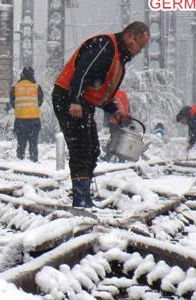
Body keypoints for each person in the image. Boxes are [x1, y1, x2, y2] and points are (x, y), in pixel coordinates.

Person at [52, 21, 150, 207]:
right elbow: (82, 72)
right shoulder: (105, 46)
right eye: (140, 45)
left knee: (92, 148)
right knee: (81, 147)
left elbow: (99, 88)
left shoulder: (118, 56)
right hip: (68, 97)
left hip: (81, 100)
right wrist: (75, 100)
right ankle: (81, 200)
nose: (139, 51)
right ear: (130, 37)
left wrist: (114, 110)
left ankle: (84, 196)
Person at [8, 66, 43, 162]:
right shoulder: (37, 87)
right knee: (33, 144)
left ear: (22, 75)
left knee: (21, 144)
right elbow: (40, 102)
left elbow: (13, 102)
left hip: (20, 120)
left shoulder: (15, 87)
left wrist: (21, 108)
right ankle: (34, 161)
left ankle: (20, 161)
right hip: (34, 120)